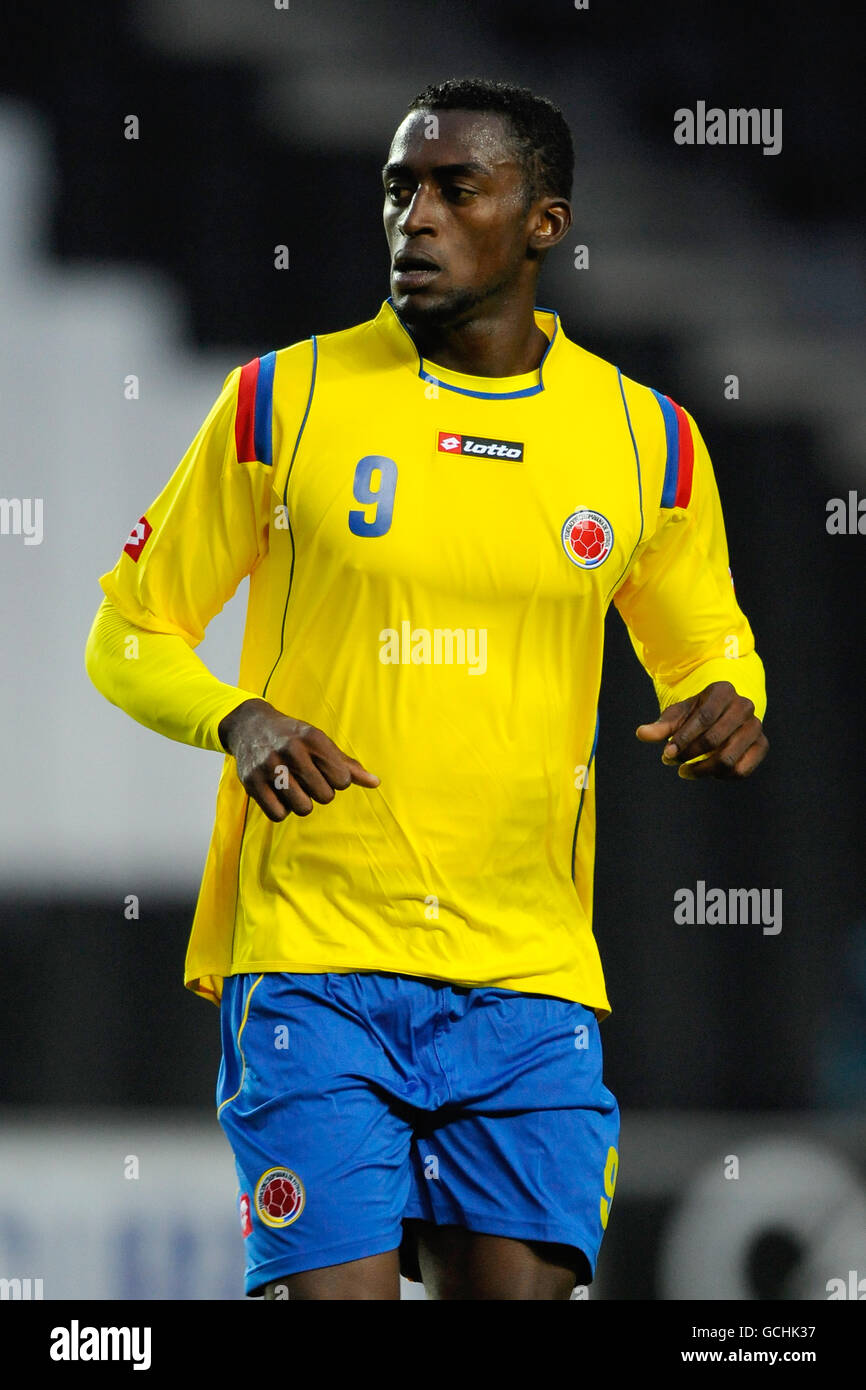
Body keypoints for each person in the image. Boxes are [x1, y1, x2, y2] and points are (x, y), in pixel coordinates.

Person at [84, 78, 768, 1301]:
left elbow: (705, 643)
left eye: (457, 188)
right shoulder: (281, 403)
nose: (415, 215)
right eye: (400, 187)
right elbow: (128, 630)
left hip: (528, 974)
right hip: (313, 958)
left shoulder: (645, 440)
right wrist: (233, 716)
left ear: (543, 222)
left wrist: (724, 701)